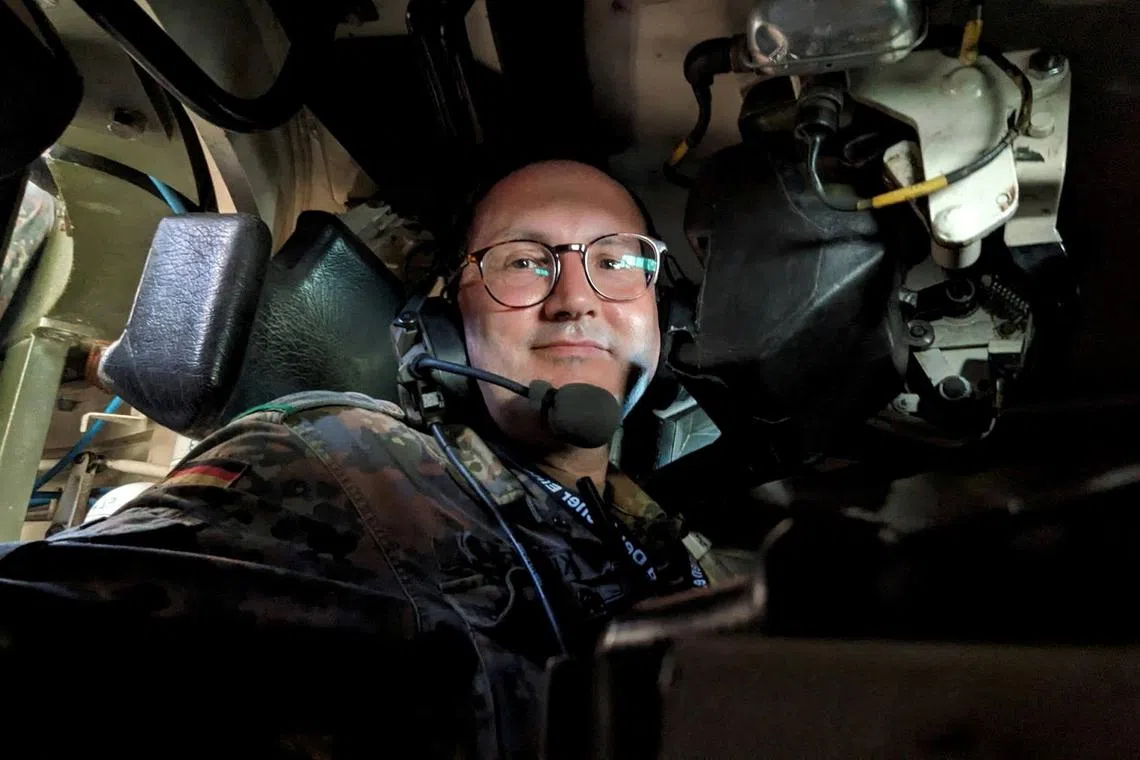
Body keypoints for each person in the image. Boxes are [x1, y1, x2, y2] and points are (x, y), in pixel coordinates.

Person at [0, 160, 737, 758]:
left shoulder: (671, 544)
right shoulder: (344, 460)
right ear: (444, 326)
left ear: (657, 314)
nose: (577, 298)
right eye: (524, 261)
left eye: (615, 259)